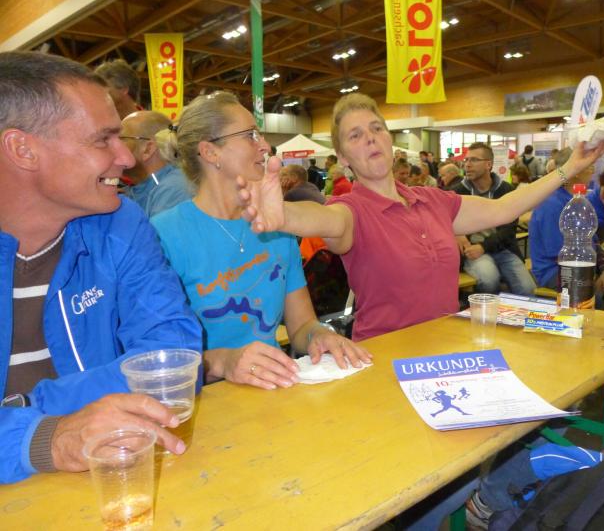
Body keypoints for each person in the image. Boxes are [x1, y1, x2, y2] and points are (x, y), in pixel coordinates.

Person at [238, 93, 604, 341]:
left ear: (389, 139)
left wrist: (570, 167)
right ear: (343, 158)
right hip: (385, 359)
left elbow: (505, 208)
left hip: (447, 350)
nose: (370, 138)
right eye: (355, 135)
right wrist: (284, 214)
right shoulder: (350, 211)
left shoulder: (433, 201)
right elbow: (321, 219)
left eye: (376, 129)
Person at [0, 51, 202, 484]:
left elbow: (173, 355)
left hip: (106, 480)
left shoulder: (120, 222)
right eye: (102, 140)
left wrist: (26, 410)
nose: (127, 158)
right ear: (22, 149)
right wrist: (47, 437)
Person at [151, 91, 370, 391]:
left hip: (274, 392)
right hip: (205, 402)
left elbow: (301, 325)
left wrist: (320, 335)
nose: (265, 146)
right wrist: (223, 362)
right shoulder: (163, 236)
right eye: (250, 135)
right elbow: (156, 359)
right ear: (210, 152)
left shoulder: (275, 225)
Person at [455, 142, 536, 296]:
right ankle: (486, 309)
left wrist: (484, 246)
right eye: (466, 160)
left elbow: (509, 231)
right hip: (473, 251)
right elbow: (442, 219)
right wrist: (455, 233)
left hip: (502, 249)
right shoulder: (458, 192)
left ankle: (510, 310)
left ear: (488, 164)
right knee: (489, 280)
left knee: (528, 289)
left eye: (474, 160)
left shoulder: (506, 190)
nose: (467, 165)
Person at [528, 148, 604, 294]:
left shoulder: (579, 201)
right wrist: (591, 276)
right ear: (576, 170)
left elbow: (593, 242)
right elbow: (561, 255)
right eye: (590, 166)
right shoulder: (552, 205)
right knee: (590, 293)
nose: (593, 171)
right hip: (555, 271)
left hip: (579, 266)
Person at [120, 110, 193, 217]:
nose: (112, 147)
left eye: (120, 139)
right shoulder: (141, 187)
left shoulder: (174, 189)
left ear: (148, 149)